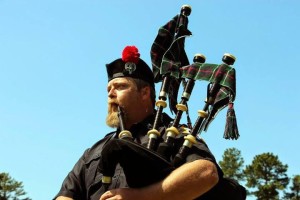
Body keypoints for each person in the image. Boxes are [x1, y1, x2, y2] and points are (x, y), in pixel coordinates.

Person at [54, 46, 222, 200]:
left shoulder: (173, 133)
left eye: (120, 87)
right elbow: (66, 195)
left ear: (144, 93)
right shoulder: (93, 152)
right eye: (108, 89)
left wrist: (139, 197)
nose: (110, 94)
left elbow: (206, 173)